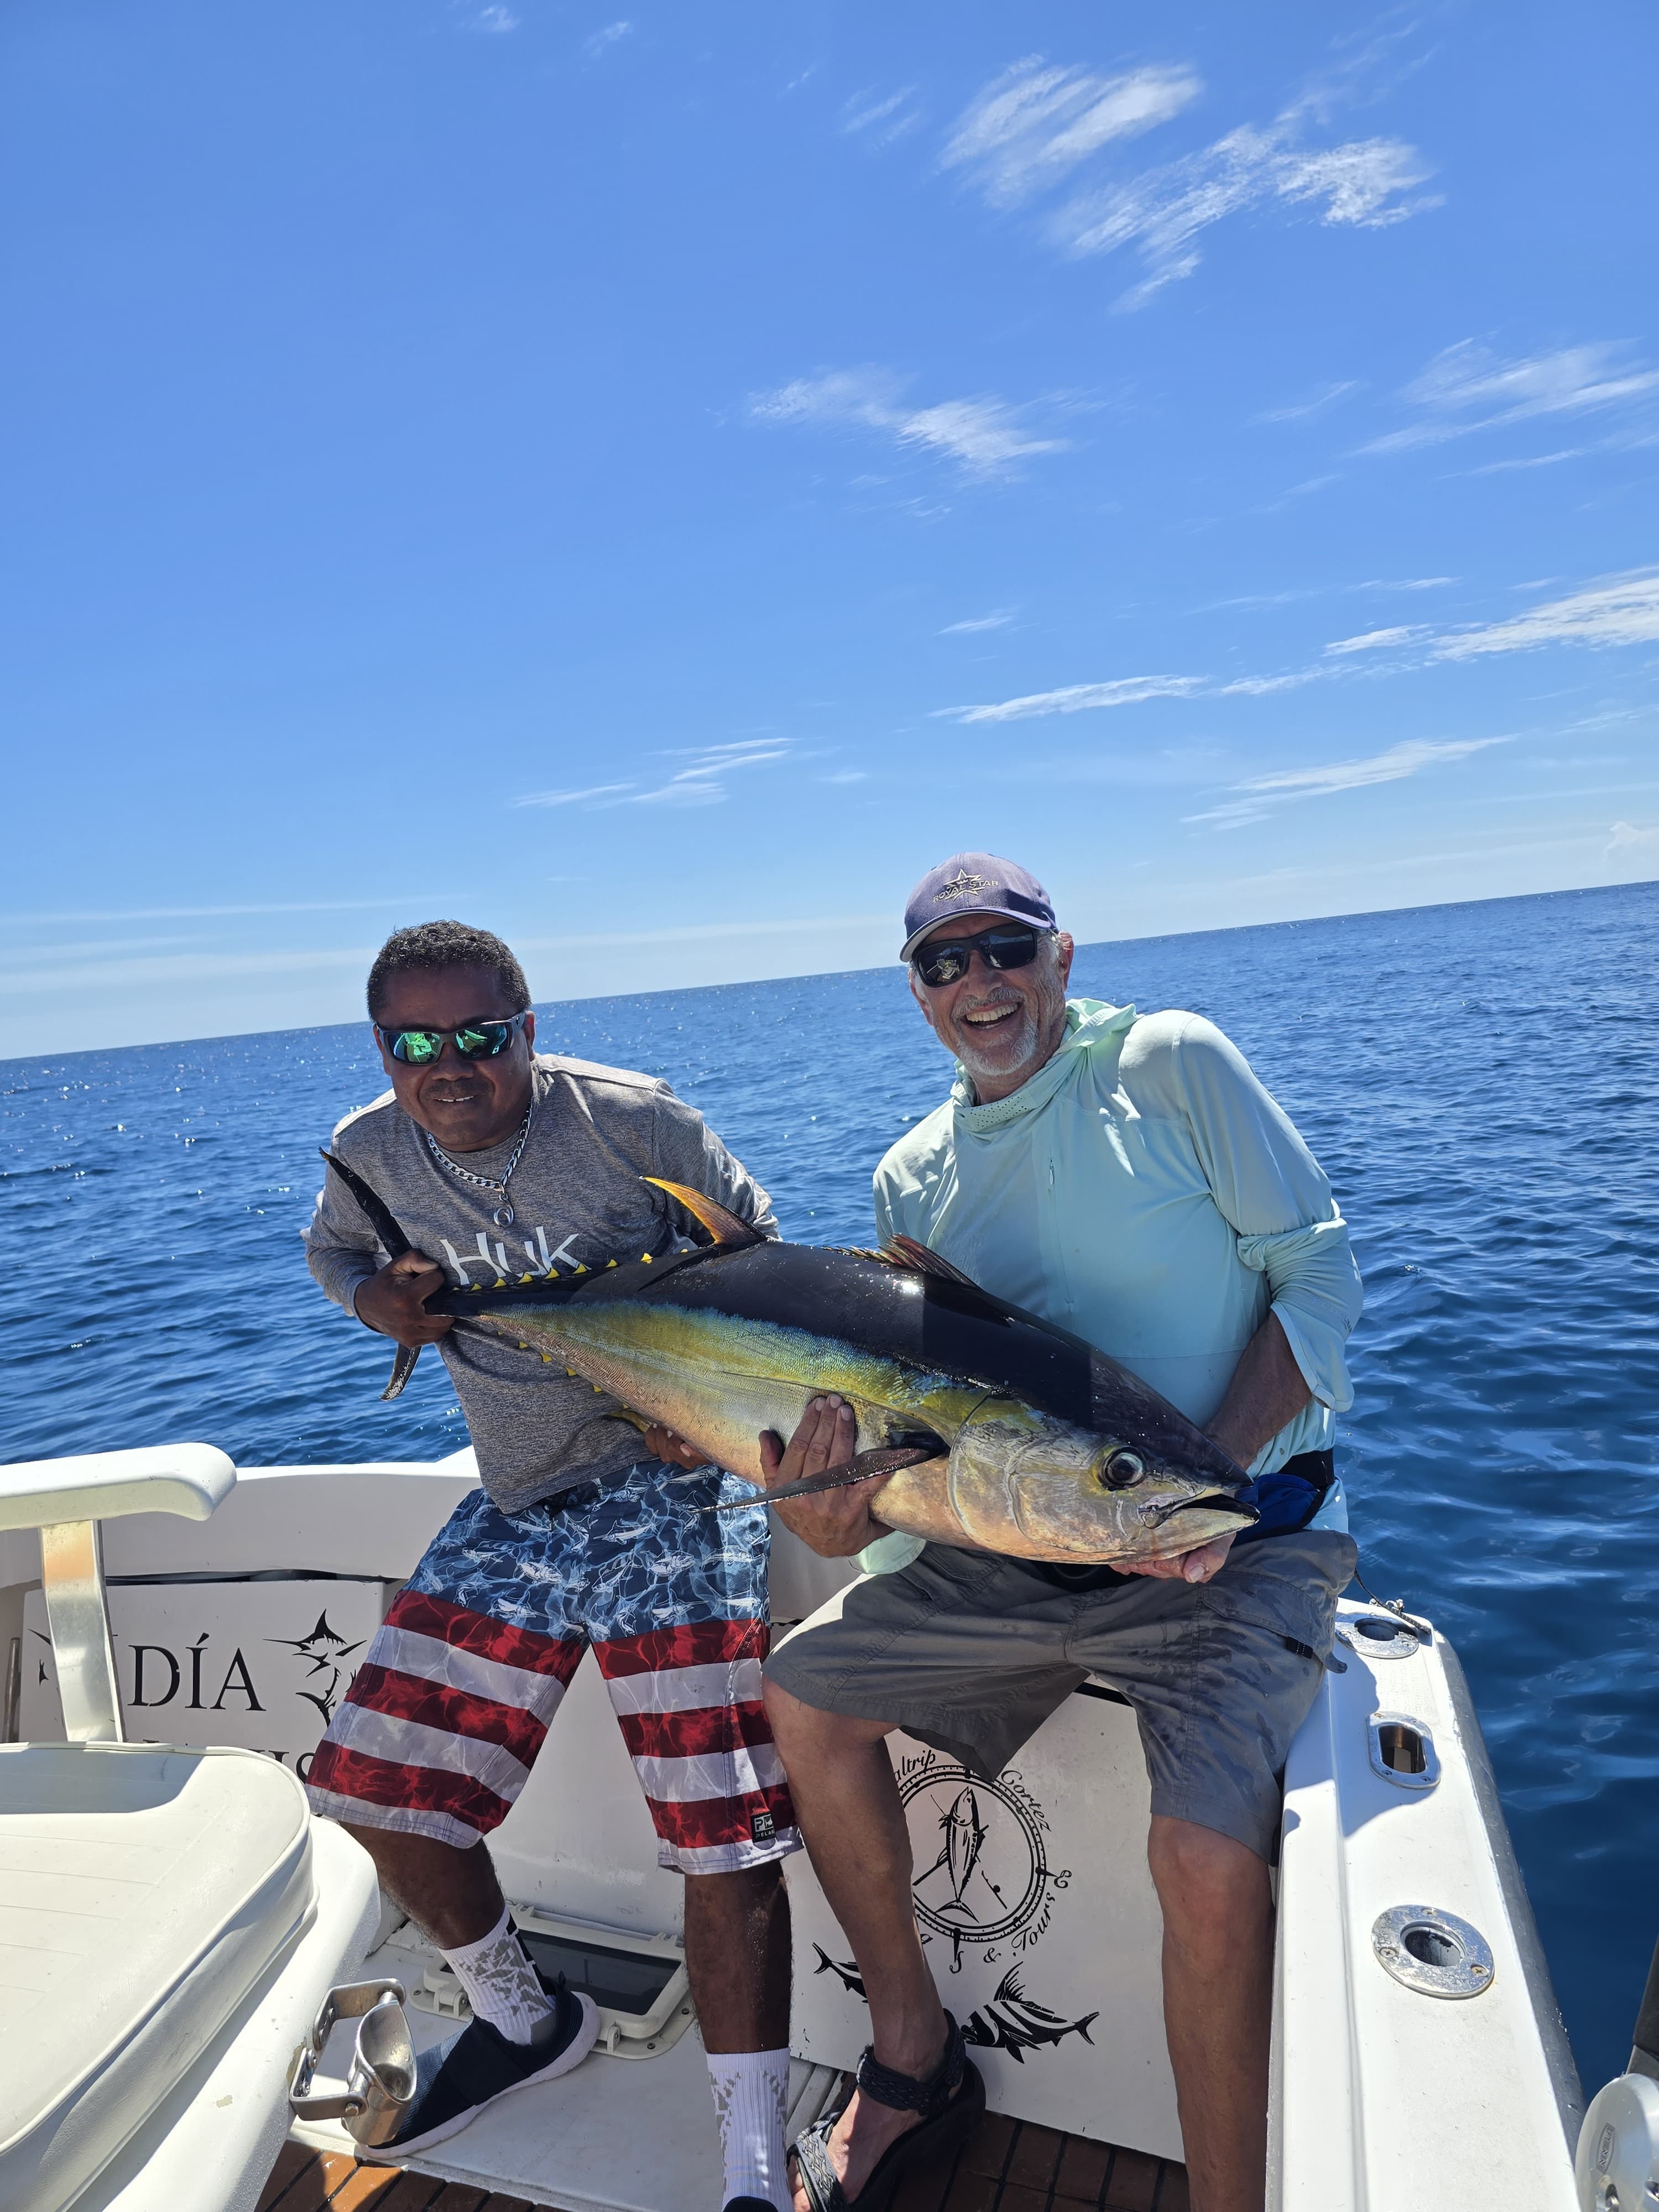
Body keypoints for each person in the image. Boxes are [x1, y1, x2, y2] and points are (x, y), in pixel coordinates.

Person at [761, 854, 1363, 2212]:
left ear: (1064, 957)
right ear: (915, 992)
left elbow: (1317, 1266)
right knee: (802, 1693)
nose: (982, 981)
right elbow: (927, 1432)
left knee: (1204, 1855)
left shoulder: (1168, 1062)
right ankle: (915, 2052)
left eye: (1006, 948)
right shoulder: (910, 1176)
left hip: (1231, 1535)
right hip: (1014, 1548)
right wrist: (845, 1515)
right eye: (944, 961)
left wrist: (1207, 1478)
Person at [302, 919, 797, 2212]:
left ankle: (752, 2163)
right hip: (520, 1502)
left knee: (718, 1827)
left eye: (479, 1033)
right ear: (383, 1049)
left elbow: (773, 1262)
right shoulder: (367, 1151)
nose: (449, 1063)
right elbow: (335, 1252)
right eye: (417, 1041)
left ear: (527, 1025)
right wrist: (376, 1305)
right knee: (370, 1781)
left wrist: (698, 1406)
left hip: (678, 1489)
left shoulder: (637, 1122)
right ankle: (528, 2020)